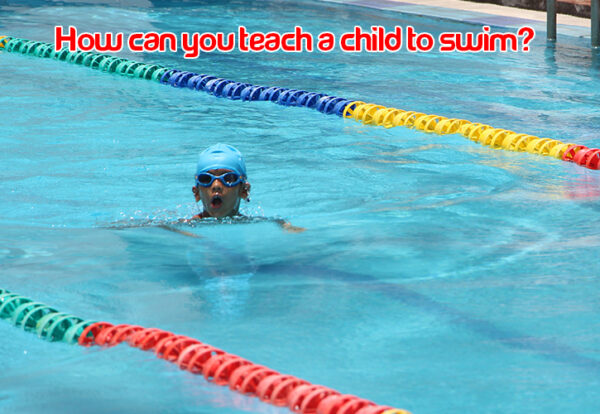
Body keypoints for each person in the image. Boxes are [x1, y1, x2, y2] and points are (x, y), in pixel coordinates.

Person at [191, 143, 304, 232]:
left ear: (244, 190)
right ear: (196, 193)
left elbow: (278, 221)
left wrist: (286, 227)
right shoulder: (185, 227)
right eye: (206, 179)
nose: (216, 186)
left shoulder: (252, 223)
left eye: (229, 178)